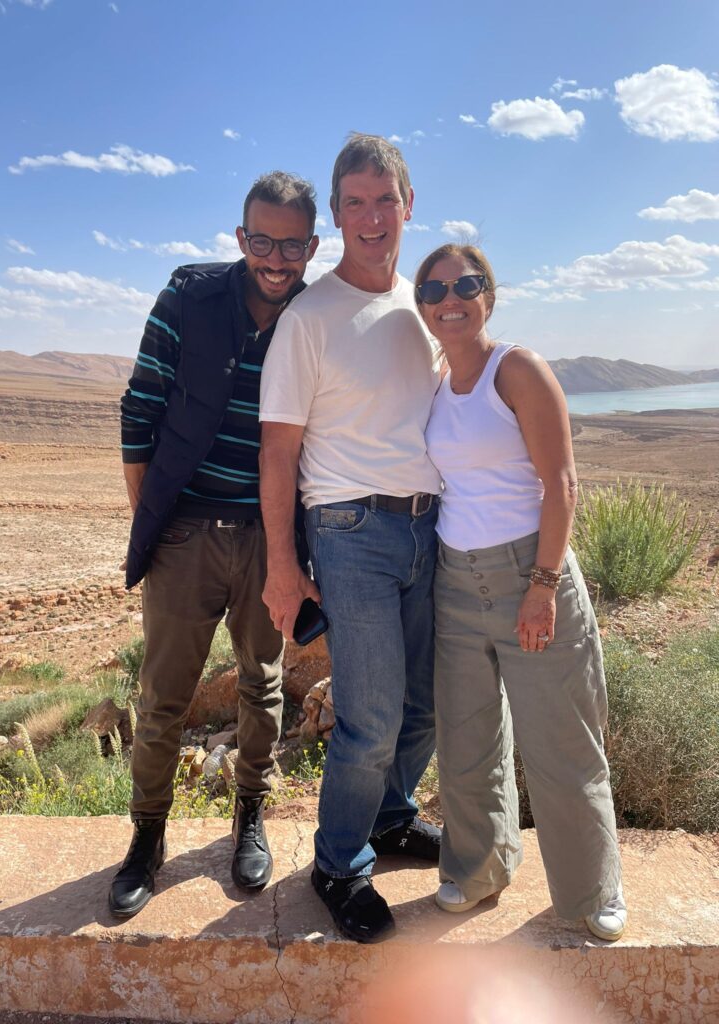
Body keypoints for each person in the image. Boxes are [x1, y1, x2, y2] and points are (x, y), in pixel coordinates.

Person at [109, 172, 319, 917]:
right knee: (163, 695)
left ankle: (250, 815)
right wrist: (155, 523)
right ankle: (147, 836)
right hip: (187, 531)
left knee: (262, 684)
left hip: (272, 538)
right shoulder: (187, 298)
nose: (275, 257)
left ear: (311, 247)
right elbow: (140, 409)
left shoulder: (316, 316)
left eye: (291, 244)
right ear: (240, 239)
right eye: (261, 240)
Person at [259, 134, 442, 944]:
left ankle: (393, 818)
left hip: (430, 527)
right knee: (369, 715)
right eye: (355, 202)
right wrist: (282, 565)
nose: (372, 217)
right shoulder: (310, 318)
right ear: (336, 216)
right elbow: (279, 450)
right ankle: (338, 863)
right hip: (349, 531)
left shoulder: (424, 305)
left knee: (424, 705)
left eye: (384, 199)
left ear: (409, 203)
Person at [416, 242, 627, 941]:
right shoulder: (439, 383)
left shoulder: (519, 368)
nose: (451, 295)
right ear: (422, 304)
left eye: (466, 283)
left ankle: (591, 891)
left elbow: (562, 484)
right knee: (469, 740)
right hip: (456, 579)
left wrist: (541, 585)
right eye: (435, 286)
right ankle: (477, 870)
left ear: (489, 295)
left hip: (529, 576)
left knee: (561, 742)